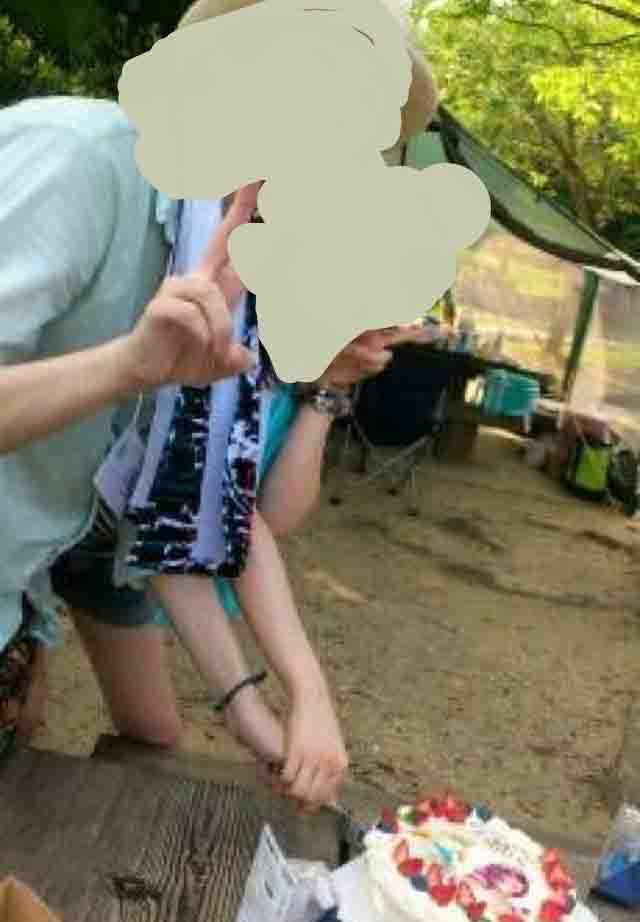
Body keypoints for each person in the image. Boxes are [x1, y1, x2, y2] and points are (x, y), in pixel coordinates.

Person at [0, 0, 438, 808]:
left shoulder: (229, 264)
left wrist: (295, 699)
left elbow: (209, 508)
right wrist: (124, 368)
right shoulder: (81, 162)